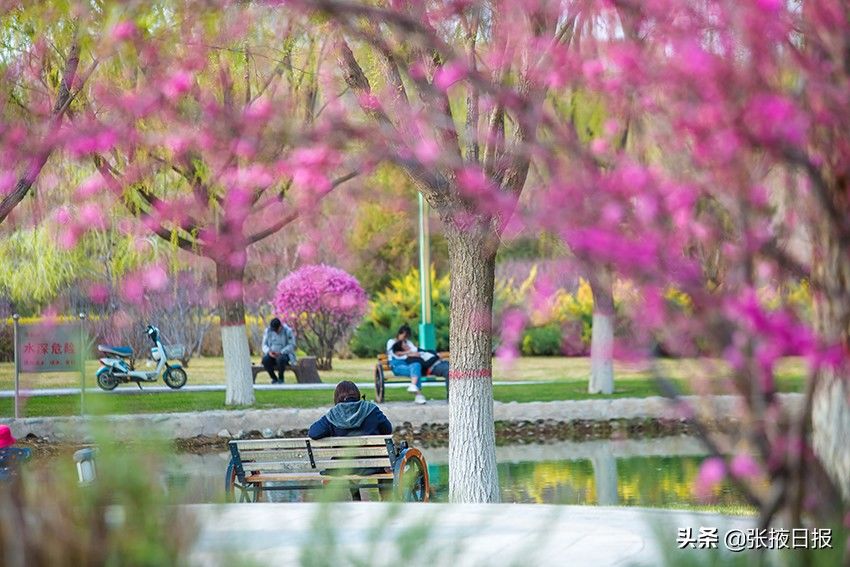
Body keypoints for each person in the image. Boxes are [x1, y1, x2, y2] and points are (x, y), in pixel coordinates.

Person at [308, 381, 393, 439]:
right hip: (373, 464)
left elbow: (313, 433)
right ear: (357, 394)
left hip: (343, 465)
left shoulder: (334, 414)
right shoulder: (371, 409)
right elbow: (387, 429)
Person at [386, 324, 427, 405]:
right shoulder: (391, 342)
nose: (405, 338)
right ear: (399, 333)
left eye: (407, 336)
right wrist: (408, 353)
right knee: (416, 371)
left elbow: (416, 352)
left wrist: (406, 353)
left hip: (408, 364)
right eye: (404, 335)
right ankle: (418, 395)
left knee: (416, 365)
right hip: (397, 366)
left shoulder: (408, 342)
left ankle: (413, 386)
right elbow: (395, 355)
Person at [261, 318, 297, 384]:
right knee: (265, 360)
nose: (276, 332)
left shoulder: (288, 331)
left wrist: (281, 352)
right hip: (271, 354)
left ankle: (281, 378)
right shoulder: (268, 331)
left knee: (280, 359)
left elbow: (292, 345)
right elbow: (264, 345)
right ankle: (274, 378)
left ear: (280, 326)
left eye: (277, 330)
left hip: (285, 355)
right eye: (274, 330)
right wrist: (269, 351)